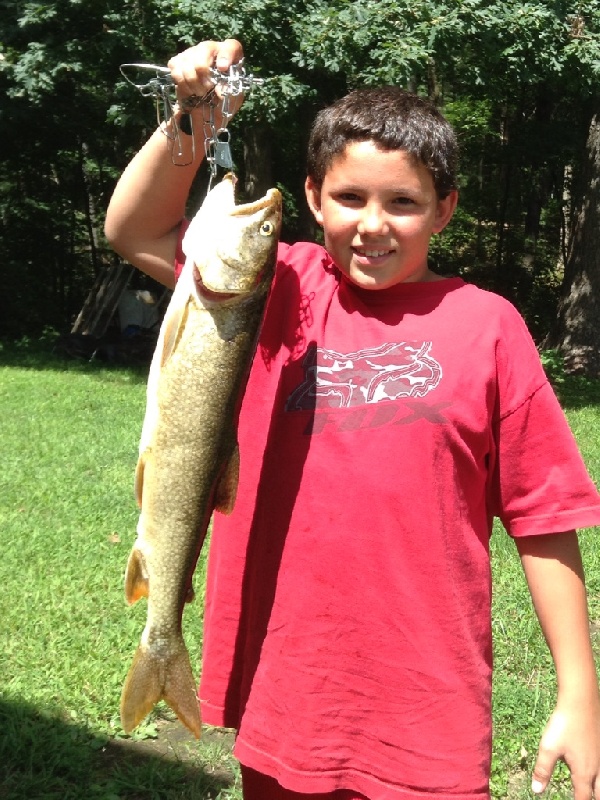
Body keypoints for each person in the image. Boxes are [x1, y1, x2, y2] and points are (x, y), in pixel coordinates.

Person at [105, 39, 600, 800]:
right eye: (350, 198)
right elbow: (133, 230)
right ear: (312, 198)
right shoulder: (279, 289)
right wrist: (194, 121)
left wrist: (579, 693)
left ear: (445, 208)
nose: (374, 225)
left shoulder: (489, 325)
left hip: (427, 713)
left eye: (403, 202)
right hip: (286, 693)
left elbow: (544, 517)